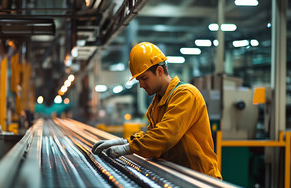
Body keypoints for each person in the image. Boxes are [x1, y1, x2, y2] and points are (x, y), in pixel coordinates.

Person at [92, 42, 222, 179]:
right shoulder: (156, 105)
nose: (141, 85)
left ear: (159, 71)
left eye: (144, 78)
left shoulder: (185, 94)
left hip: (201, 178)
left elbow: (164, 137)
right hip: (179, 175)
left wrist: (127, 148)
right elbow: (153, 137)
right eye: (138, 80)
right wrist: (125, 142)